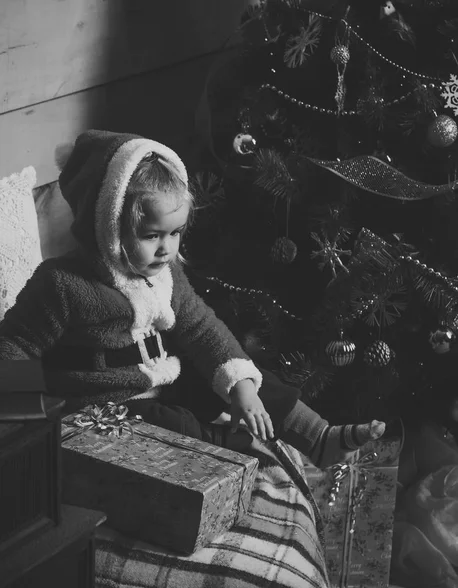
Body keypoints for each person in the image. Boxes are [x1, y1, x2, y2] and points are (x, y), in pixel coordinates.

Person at [0, 130, 385, 467]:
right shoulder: (62, 283)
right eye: (152, 235)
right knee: (172, 425)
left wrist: (242, 388)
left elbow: (201, 328)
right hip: (105, 402)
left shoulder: (166, 275)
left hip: (166, 376)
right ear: (108, 225)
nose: (166, 248)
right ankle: (226, 451)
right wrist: (25, 422)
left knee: (249, 379)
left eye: (176, 232)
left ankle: (319, 437)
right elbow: (15, 342)